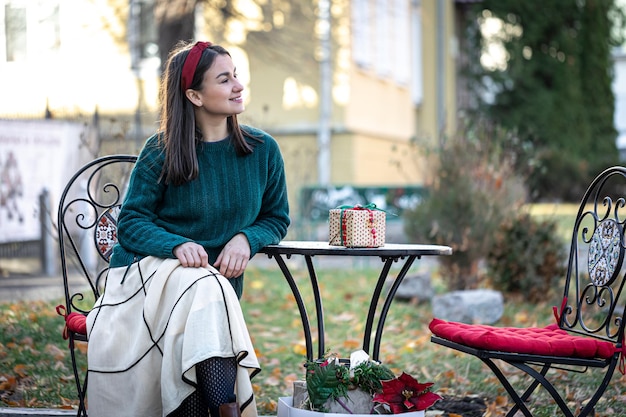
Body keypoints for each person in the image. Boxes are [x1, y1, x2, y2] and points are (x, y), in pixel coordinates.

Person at [86, 40, 290, 417]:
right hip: (149, 281)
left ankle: (215, 407)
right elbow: (130, 223)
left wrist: (248, 238)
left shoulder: (263, 150)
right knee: (202, 283)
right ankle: (227, 407)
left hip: (210, 297)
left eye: (236, 76)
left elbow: (276, 217)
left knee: (204, 291)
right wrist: (177, 245)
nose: (238, 86)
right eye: (224, 79)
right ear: (194, 95)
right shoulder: (161, 150)